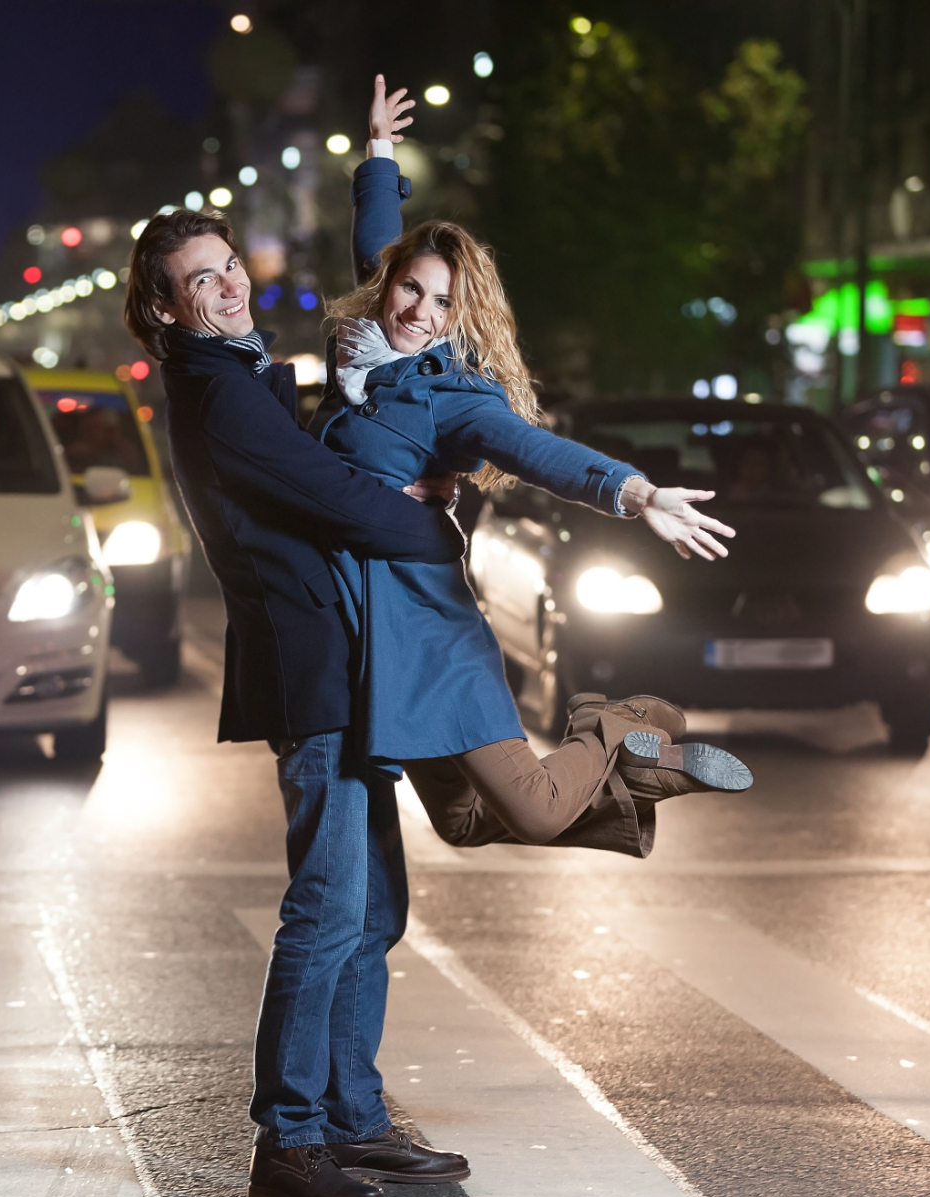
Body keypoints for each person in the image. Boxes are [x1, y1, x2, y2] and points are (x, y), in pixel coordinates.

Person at [124, 209, 472, 1197]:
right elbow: (336, 493)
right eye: (202, 280)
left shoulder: (240, 374)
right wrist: (434, 520)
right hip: (312, 668)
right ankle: (289, 1137)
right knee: (327, 911)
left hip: (343, 665)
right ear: (163, 307)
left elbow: (384, 305)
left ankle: (354, 1113)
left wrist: (375, 171)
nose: (230, 285)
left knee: (372, 909)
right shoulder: (220, 394)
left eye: (230, 266)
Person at [310, 75, 754, 860]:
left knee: (541, 811)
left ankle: (611, 724)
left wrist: (636, 491)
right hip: (372, 641)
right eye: (411, 287)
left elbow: (540, 452)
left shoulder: (453, 397)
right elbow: (377, 234)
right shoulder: (359, 354)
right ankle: (643, 777)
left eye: (442, 303)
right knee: (461, 824)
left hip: (430, 631)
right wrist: (380, 148)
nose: (418, 310)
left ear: (460, 316)